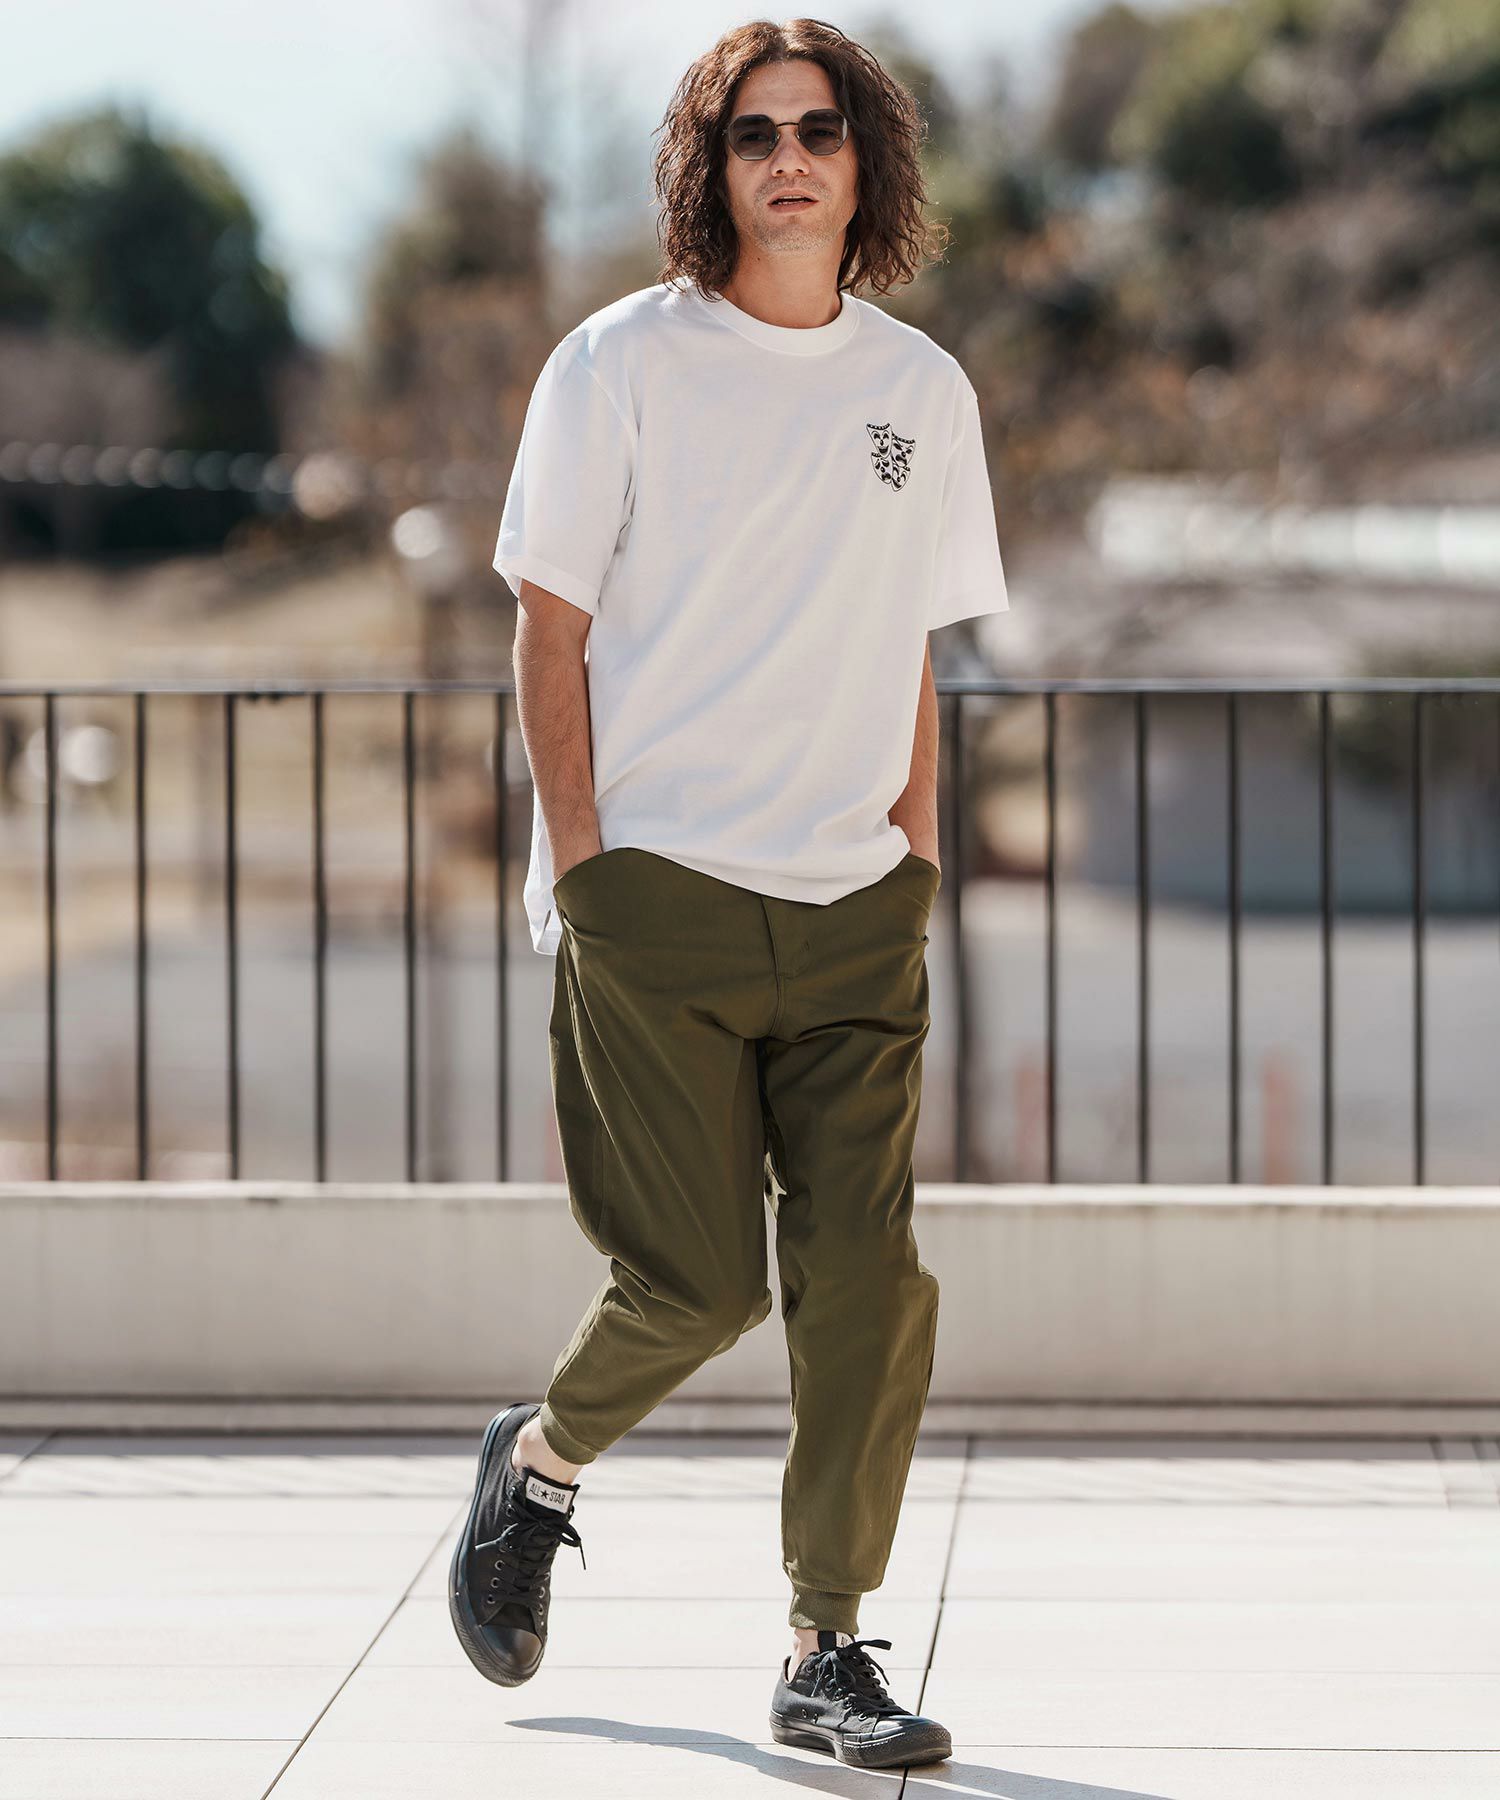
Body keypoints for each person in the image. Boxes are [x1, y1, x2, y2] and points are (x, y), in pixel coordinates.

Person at [449, 16, 1008, 1772]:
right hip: (660, 899)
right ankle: (539, 1465)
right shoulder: (616, 364)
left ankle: (828, 1646)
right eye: (755, 133)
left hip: (856, 904)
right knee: (693, 1287)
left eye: (819, 129)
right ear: (712, 167)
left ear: (866, 161)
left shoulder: (920, 392)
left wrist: (916, 854)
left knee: (867, 1284)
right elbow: (549, 628)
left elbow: (913, 641)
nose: (790, 158)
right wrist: (587, 866)